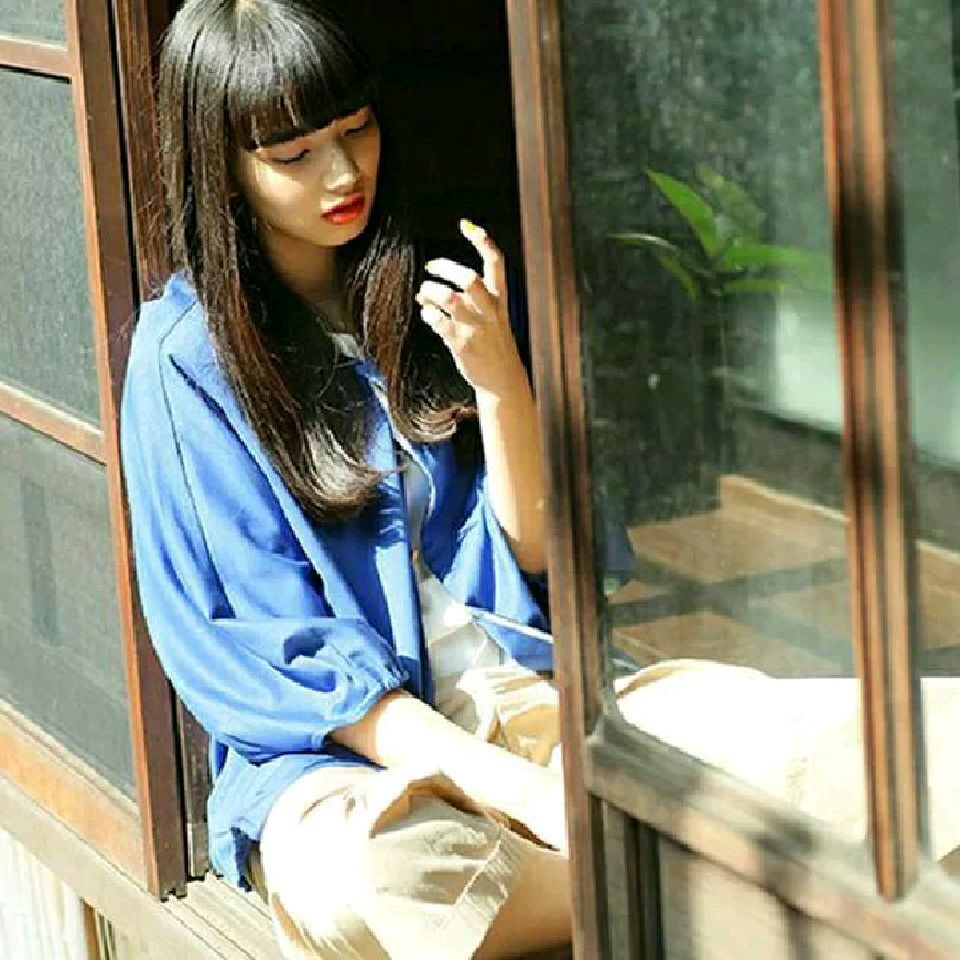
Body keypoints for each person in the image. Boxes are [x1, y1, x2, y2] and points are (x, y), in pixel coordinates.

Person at [119, 0, 573, 956]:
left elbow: (531, 554)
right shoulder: (185, 361)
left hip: (519, 695)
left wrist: (500, 381)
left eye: (356, 130)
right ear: (222, 167)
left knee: (796, 739)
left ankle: (622, 869)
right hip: (341, 768)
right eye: (293, 154)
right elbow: (275, 652)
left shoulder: (424, 281)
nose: (343, 174)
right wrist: (527, 795)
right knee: (375, 877)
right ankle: (652, 869)